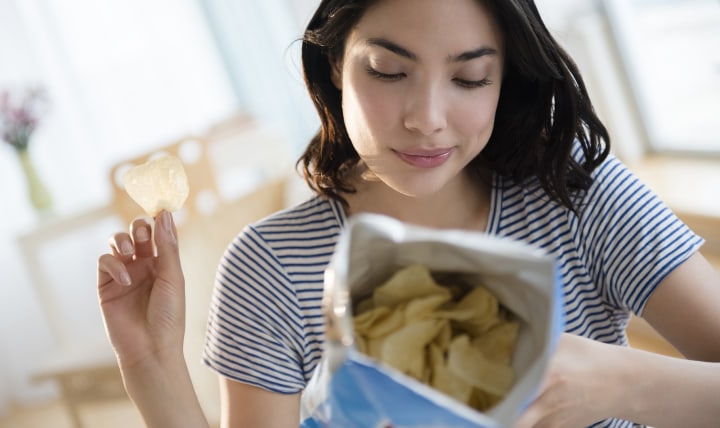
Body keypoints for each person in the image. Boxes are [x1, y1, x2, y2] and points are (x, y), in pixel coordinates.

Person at [96, 0, 720, 427]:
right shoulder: (272, 267)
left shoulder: (575, 190)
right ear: (335, 65)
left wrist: (618, 382)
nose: (427, 117)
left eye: (470, 78)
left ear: (507, 79)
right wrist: (150, 367)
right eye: (389, 71)